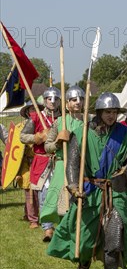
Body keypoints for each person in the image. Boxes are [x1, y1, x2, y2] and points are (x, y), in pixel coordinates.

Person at [47, 92, 127, 269]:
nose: (111, 115)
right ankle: (83, 265)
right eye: (108, 111)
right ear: (99, 112)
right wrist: (72, 185)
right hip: (90, 191)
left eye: (114, 112)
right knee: (87, 239)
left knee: (114, 236)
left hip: (115, 191)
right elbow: (72, 163)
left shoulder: (124, 133)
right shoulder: (81, 133)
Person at [20, 87, 61, 241]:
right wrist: (36, 137)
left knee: (60, 195)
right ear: (44, 101)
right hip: (42, 160)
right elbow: (22, 137)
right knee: (44, 195)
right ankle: (47, 228)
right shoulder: (36, 118)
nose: (52, 101)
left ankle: (61, 225)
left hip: (60, 161)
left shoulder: (63, 118)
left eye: (55, 98)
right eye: (49, 98)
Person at [41, 85, 85, 226]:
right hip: (62, 166)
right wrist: (58, 143)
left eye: (81, 99)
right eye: (73, 100)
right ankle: (61, 232)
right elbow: (47, 147)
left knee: (80, 202)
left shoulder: (89, 122)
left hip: (83, 166)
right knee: (61, 205)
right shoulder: (59, 122)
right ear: (67, 104)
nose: (78, 102)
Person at [15, 101, 42, 228]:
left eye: (36, 109)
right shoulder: (20, 128)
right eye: (31, 109)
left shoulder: (43, 125)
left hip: (40, 161)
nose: (33, 112)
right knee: (29, 190)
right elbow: (15, 148)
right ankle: (33, 220)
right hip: (25, 163)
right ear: (26, 112)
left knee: (38, 190)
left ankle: (29, 214)